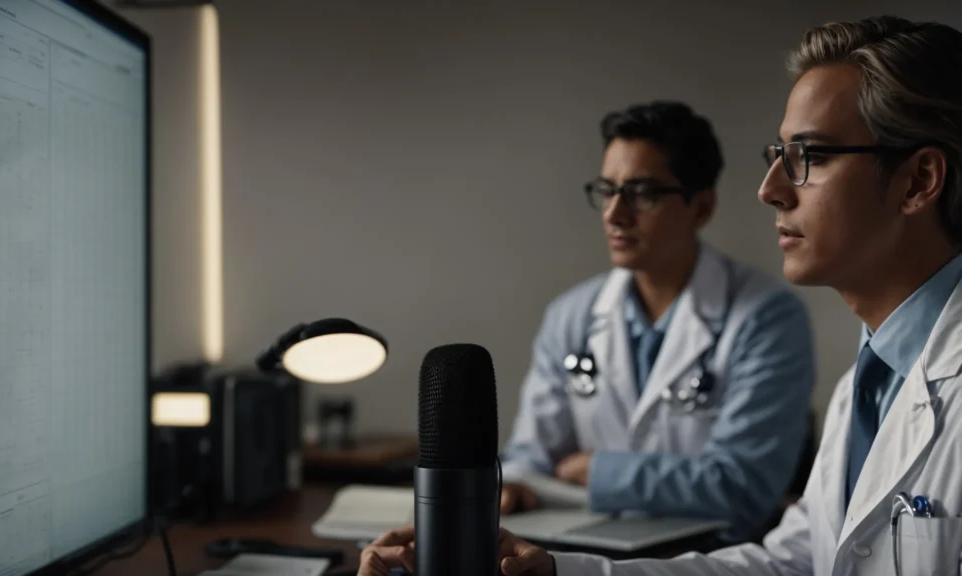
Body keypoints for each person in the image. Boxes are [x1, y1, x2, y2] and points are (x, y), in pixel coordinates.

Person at [356, 14, 962, 576]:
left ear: (918, 181)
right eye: (778, 156)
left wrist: (598, 471)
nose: (771, 189)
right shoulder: (873, 378)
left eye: (811, 156)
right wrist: (558, 571)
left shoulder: (776, 321)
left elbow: (740, 491)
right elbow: (794, 562)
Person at [497, 100, 816, 543]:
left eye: (642, 193)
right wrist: (512, 483)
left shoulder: (766, 318)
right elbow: (531, 457)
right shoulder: (571, 315)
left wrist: (600, 471)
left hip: (708, 560)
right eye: (607, 190)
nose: (614, 214)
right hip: (582, 546)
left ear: (701, 207)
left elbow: (743, 486)